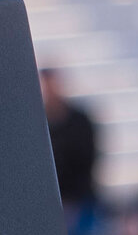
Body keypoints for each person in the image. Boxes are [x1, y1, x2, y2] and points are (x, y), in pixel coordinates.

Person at [39, 69, 98, 214]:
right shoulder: (37, 124)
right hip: (48, 201)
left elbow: (86, 162)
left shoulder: (80, 121)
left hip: (80, 199)